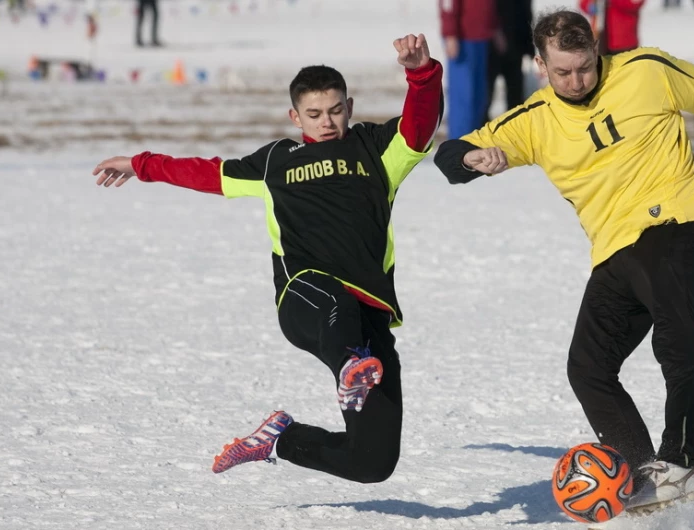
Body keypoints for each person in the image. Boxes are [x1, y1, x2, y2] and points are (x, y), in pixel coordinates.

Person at [434, 10, 694, 513]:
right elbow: (451, 156)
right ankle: (640, 476)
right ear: (540, 65)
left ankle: (677, 460)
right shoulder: (535, 119)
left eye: (585, 67)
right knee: (587, 366)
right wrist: (469, 159)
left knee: (679, 337)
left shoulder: (646, 70)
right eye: (562, 72)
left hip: (679, 224)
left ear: (597, 50)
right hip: (614, 250)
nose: (575, 80)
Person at [92, 35, 443, 483]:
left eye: (336, 111)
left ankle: (280, 438)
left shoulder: (377, 149)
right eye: (314, 114)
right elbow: (208, 173)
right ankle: (350, 362)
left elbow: (421, 121)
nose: (327, 122)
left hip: (367, 313)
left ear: (350, 108)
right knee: (335, 299)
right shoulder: (277, 160)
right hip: (306, 299)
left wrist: (421, 73)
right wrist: (141, 165)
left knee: (372, 461)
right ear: (295, 116)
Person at [440, 0, 498, 139]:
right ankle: (458, 143)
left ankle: (473, 141)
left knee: (479, 96)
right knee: (464, 96)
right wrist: (450, 33)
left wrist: (495, 28)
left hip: (481, 37)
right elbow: (447, 3)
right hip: (463, 39)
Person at [484, 0, 534, 122]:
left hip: (516, 45)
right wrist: (496, 34)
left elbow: (526, 16)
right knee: (486, 94)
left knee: (515, 94)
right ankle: (481, 129)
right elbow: (488, 12)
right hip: (493, 47)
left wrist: (529, 46)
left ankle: (515, 126)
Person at [579, 0, 646, 55]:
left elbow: (634, 4)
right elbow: (584, 3)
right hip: (599, 39)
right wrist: (590, 5)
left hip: (623, 43)